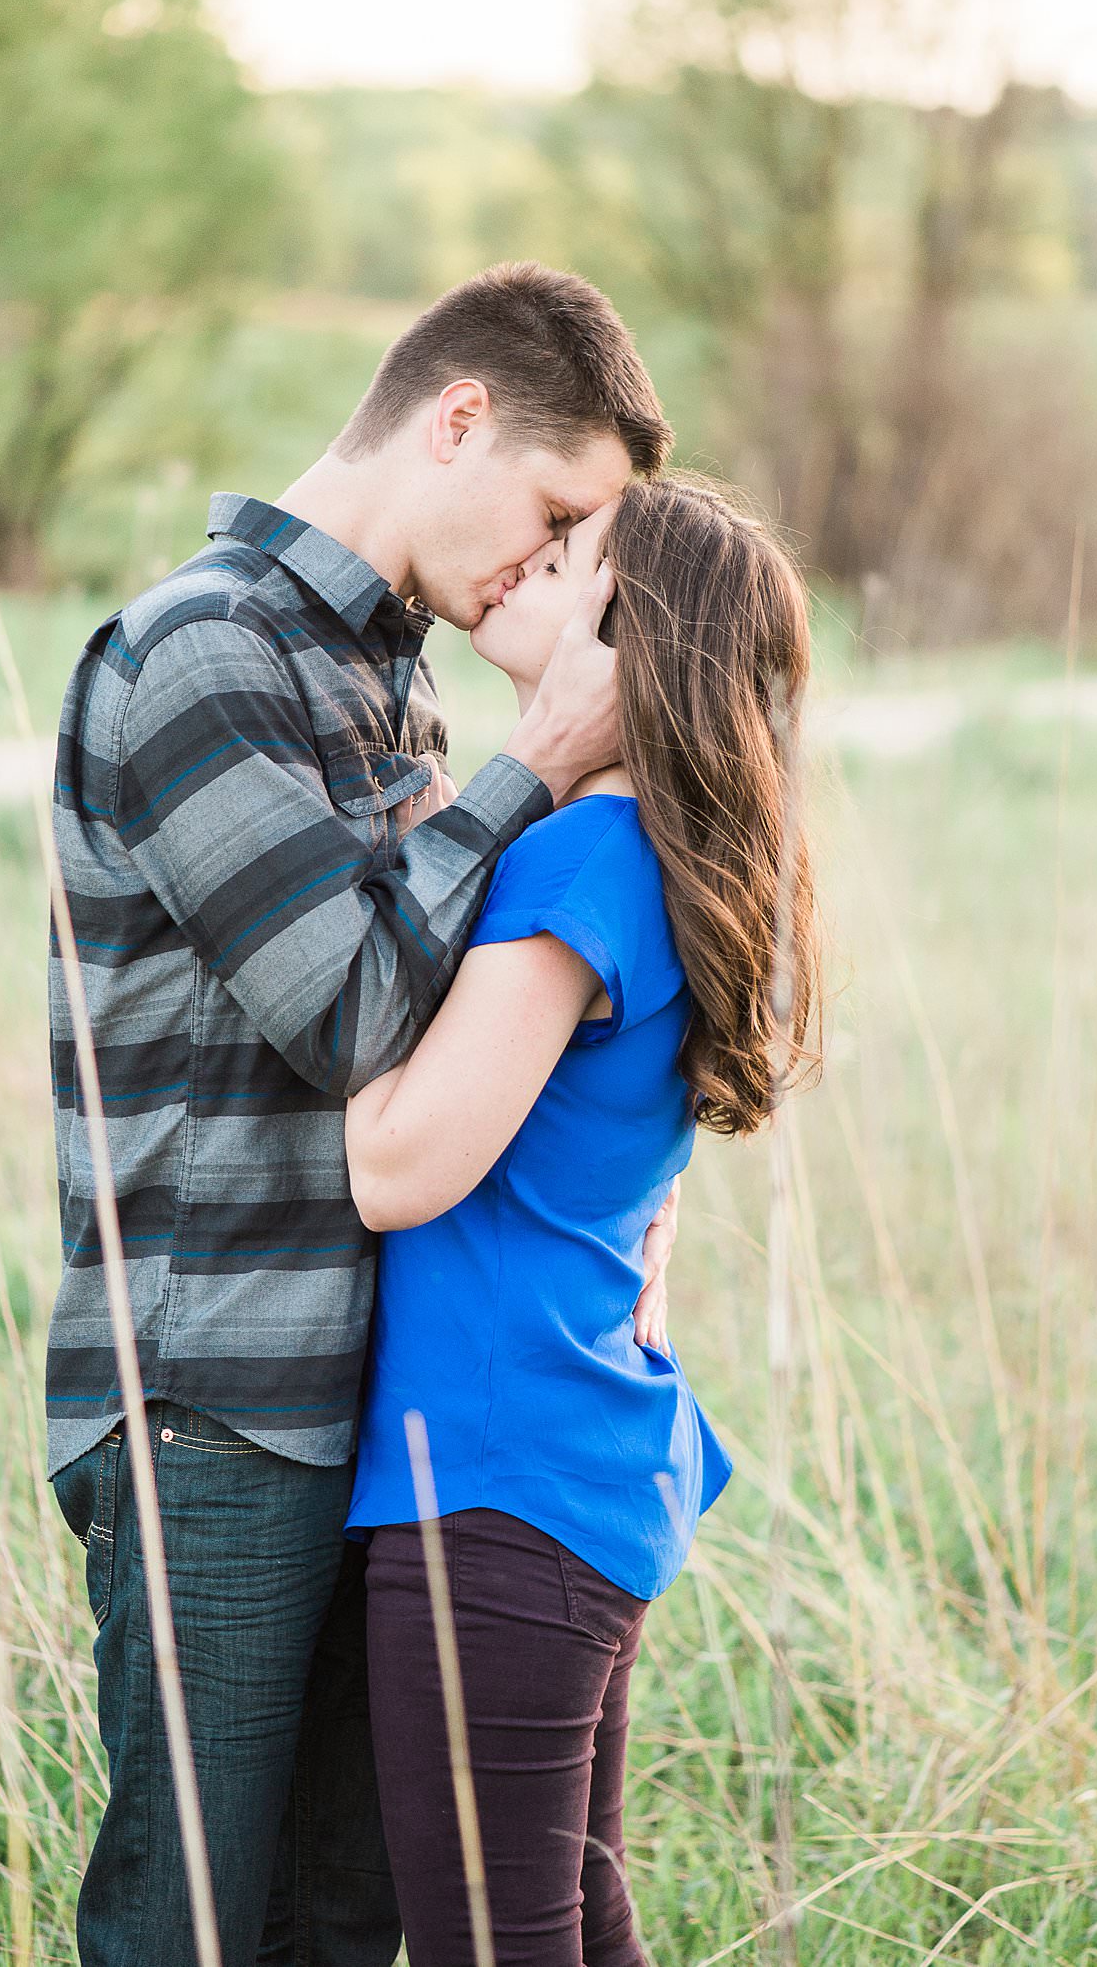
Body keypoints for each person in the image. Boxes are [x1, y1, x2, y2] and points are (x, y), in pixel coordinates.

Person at [44, 263, 679, 1967]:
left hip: (376, 1410)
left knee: (348, 1924)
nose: (549, 571)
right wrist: (534, 768)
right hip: (218, 1410)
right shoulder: (203, 652)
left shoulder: (384, 678)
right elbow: (343, 1016)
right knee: (192, 1925)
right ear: (456, 417)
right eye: (554, 513)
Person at [343, 474, 823, 1966]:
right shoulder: (652, 853)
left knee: (500, 1942)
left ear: (626, 642)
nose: (514, 573)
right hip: (566, 1471)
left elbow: (393, 1168)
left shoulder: (574, 863)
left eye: (561, 562)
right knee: (565, 1923)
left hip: (494, 1482)